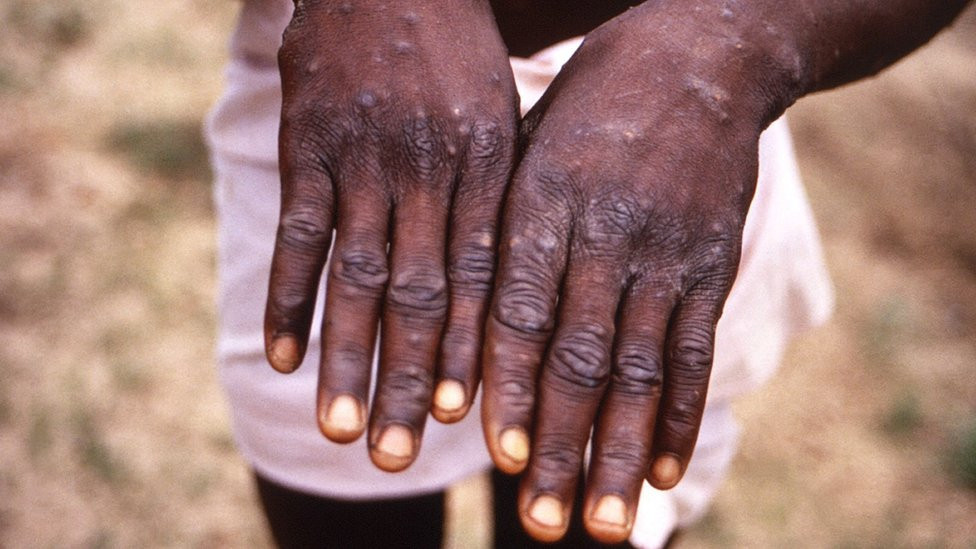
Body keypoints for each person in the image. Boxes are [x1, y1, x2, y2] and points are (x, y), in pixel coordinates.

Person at [205, 1, 971, 546]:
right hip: (355, 131)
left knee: (590, 498)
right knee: (338, 487)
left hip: (666, 154)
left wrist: (733, 43)